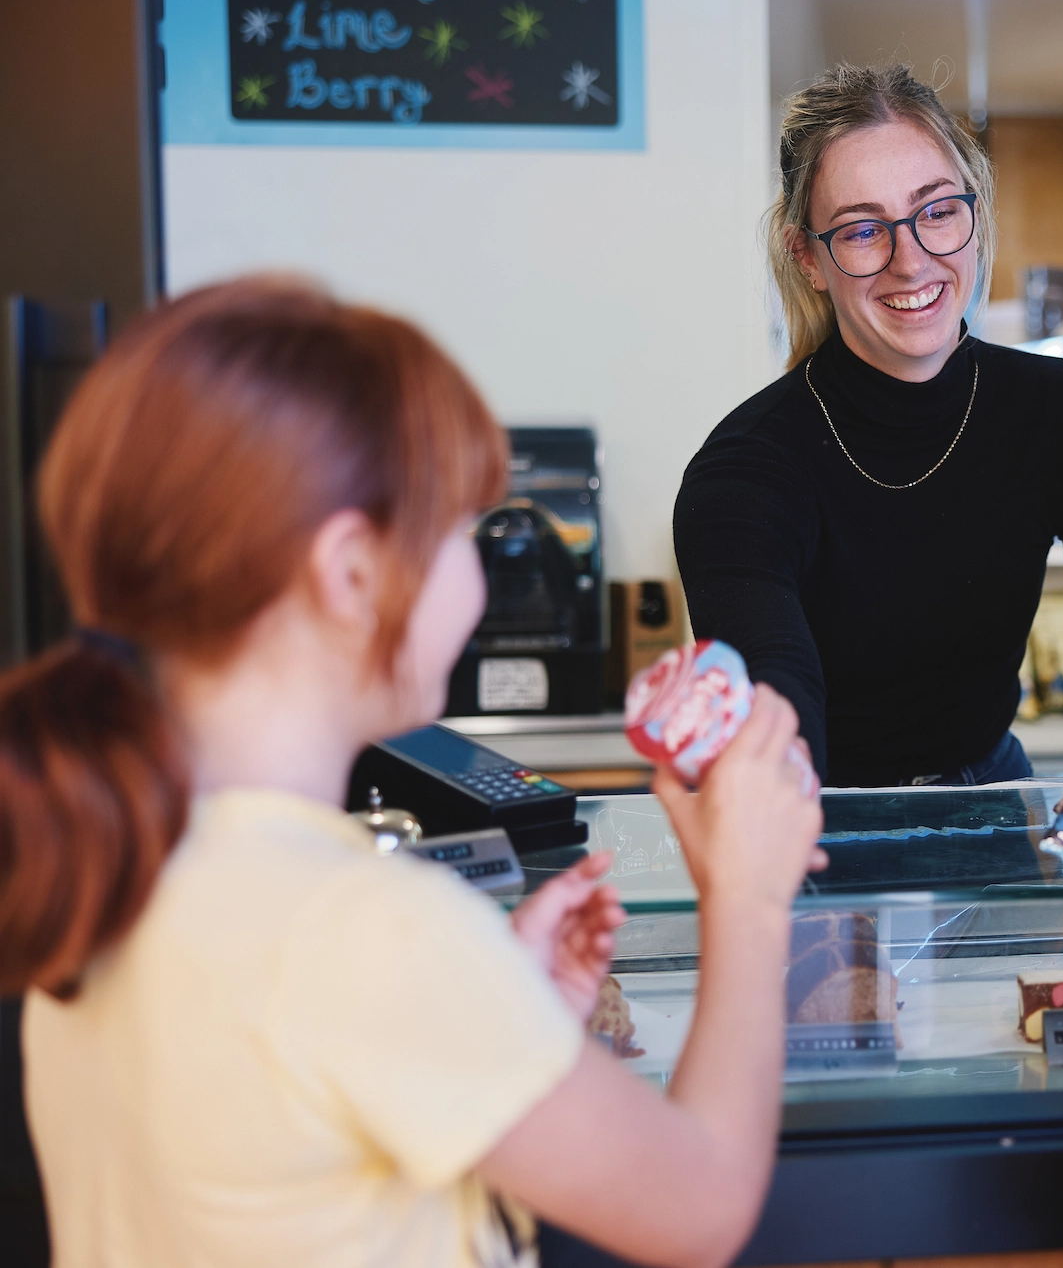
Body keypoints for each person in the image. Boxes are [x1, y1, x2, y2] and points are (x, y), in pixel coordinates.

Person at [0, 279, 826, 1268]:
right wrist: (747, 896)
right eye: (456, 531)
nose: (477, 575)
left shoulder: (99, 864)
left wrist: (495, 1005)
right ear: (350, 573)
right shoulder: (368, 931)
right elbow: (697, 1208)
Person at [674, 62, 1063, 788]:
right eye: (862, 229)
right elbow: (777, 709)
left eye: (938, 211)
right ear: (809, 257)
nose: (911, 258)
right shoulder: (743, 475)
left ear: (972, 213)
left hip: (995, 817)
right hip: (824, 829)